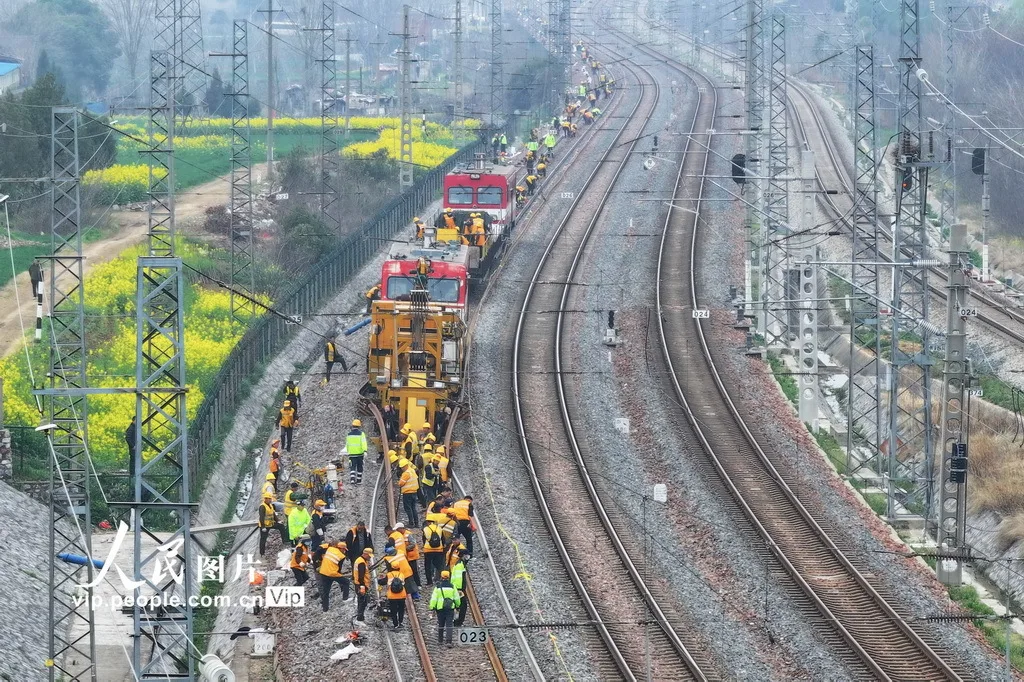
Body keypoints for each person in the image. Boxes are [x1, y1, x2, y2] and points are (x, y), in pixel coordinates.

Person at [429, 570, 461, 646]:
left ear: (441, 577)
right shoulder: (453, 587)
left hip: (440, 609)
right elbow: (457, 598)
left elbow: (434, 598)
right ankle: (448, 641)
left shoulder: (438, 587)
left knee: (441, 624)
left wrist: (432, 607)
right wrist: (457, 606)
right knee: (449, 624)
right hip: (450, 608)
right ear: (449, 577)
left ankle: (440, 640)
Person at [318, 541, 351, 611]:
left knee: (326, 591)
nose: (344, 551)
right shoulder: (341, 556)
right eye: (344, 550)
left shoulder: (330, 549)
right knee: (346, 582)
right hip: (332, 573)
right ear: (341, 549)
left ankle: (325, 608)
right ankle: (345, 598)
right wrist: (340, 575)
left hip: (323, 572)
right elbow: (339, 568)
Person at [381, 560, 407, 628]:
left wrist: (380, 579)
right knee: (401, 609)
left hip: (392, 596)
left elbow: (382, 582)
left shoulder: (389, 575)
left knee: (393, 610)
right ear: (399, 567)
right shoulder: (401, 575)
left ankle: (395, 624)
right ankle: (400, 622)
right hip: (402, 595)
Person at [422, 519, 446, 585]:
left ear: (428, 522)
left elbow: (424, 539)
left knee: (428, 566)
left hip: (428, 550)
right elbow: (443, 539)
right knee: (439, 565)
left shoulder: (426, 529)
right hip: (439, 550)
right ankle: (443, 579)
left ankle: (429, 582)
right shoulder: (439, 528)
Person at [346, 418, 368, 484]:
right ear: (359, 426)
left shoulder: (349, 434)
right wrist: (365, 451)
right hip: (360, 454)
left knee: (352, 467)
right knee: (359, 467)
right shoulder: (361, 434)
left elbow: (347, 444)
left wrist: (348, 452)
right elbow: (363, 443)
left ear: (352, 426)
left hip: (352, 454)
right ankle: (359, 481)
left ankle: (352, 479)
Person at [353, 547, 373, 622]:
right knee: (362, 602)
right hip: (362, 585)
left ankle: (360, 616)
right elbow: (361, 576)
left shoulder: (359, 560)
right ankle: (360, 617)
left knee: (361, 601)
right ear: (365, 554)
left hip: (358, 584)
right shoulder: (361, 563)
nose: (370, 557)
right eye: (369, 555)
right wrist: (362, 587)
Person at [451, 553, 470, 626]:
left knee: (458, 605)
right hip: (458, 589)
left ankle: (456, 621)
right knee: (462, 605)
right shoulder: (460, 565)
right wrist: (460, 589)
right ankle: (458, 622)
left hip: (456, 588)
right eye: (466, 555)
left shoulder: (460, 563)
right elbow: (458, 578)